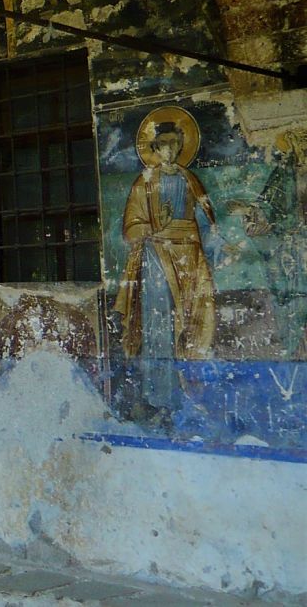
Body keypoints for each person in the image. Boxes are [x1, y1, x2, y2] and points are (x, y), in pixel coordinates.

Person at [113, 110, 219, 414]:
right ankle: (159, 395)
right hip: (157, 258)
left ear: (181, 145)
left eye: (174, 144)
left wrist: (206, 238)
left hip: (189, 257)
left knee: (194, 319)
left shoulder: (191, 180)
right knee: (159, 322)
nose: (169, 150)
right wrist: (156, 229)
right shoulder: (144, 182)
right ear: (155, 149)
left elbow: (206, 219)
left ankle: (191, 390)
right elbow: (131, 226)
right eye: (163, 145)